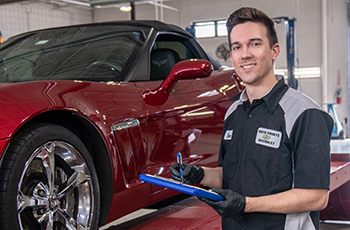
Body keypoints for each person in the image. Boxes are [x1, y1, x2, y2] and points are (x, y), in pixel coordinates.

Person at [170, 6, 334, 230]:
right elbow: (231, 174)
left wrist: (245, 205)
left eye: (254, 44)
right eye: (237, 47)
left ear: (274, 51)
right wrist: (200, 175)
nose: (244, 54)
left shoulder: (304, 113)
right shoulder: (233, 112)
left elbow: (316, 197)